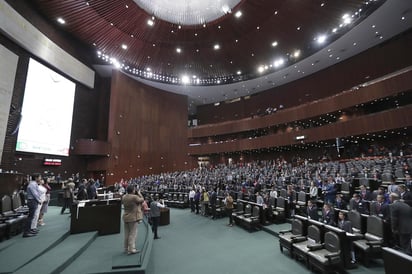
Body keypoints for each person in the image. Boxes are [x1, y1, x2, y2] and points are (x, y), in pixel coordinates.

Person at [122, 185, 144, 254]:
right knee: (133, 234)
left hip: (126, 217)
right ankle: (131, 249)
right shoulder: (134, 197)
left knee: (127, 233)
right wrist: (140, 193)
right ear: (133, 190)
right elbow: (142, 200)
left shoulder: (124, 196)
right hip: (133, 218)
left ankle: (126, 248)